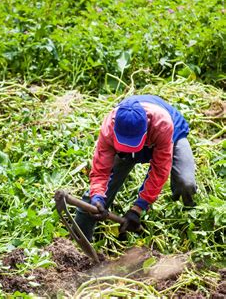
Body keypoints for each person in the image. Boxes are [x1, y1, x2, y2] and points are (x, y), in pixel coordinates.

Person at [75, 95, 197, 241]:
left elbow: (159, 170)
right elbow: (101, 169)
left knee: (186, 183)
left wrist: (138, 208)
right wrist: (97, 197)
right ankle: (78, 246)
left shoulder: (162, 124)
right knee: (90, 202)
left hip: (170, 137)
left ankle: (187, 217)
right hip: (128, 151)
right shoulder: (109, 128)